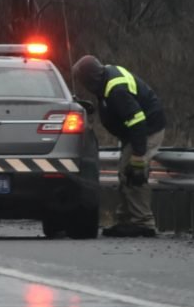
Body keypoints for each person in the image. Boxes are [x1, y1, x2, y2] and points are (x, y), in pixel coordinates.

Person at [71, 55, 166, 237]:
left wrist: (138, 155)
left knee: (133, 173)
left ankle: (143, 222)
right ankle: (127, 220)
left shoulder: (116, 90)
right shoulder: (105, 78)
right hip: (135, 132)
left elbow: (137, 122)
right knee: (125, 172)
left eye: (83, 81)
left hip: (146, 130)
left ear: (90, 78)